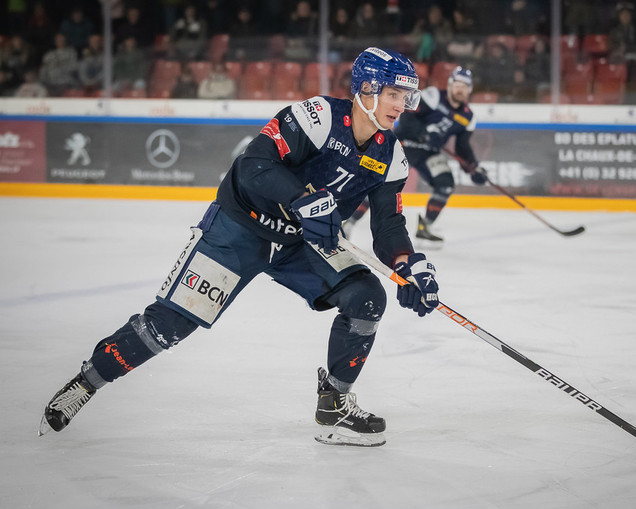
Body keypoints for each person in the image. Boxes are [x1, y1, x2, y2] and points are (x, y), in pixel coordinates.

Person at [39, 47, 439, 448]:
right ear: (365, 89)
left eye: (406, 96)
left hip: (299, 243)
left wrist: (407, 263)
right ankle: (87, 381)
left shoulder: (391, 157)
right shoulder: (316, 116)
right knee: (168, 327)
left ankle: (333, 406)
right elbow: (254, 166)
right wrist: (304, 199)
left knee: (367, 297)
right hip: (239, 229)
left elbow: (387, 224)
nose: (401, 106)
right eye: (393, 94)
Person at [344, 66, 487, 244]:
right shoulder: (433, 96)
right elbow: (407, 117)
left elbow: (462, 147)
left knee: (446, 184)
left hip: (428, 153)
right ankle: (348, 223)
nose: (460, 89)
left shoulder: (468, 117)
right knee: (375, 184)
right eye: (457, 84)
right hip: (402, 145)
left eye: (465, 86)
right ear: (450, 85)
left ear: (470, 90)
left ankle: (425, 227)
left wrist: (473, 168)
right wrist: (424, 132)